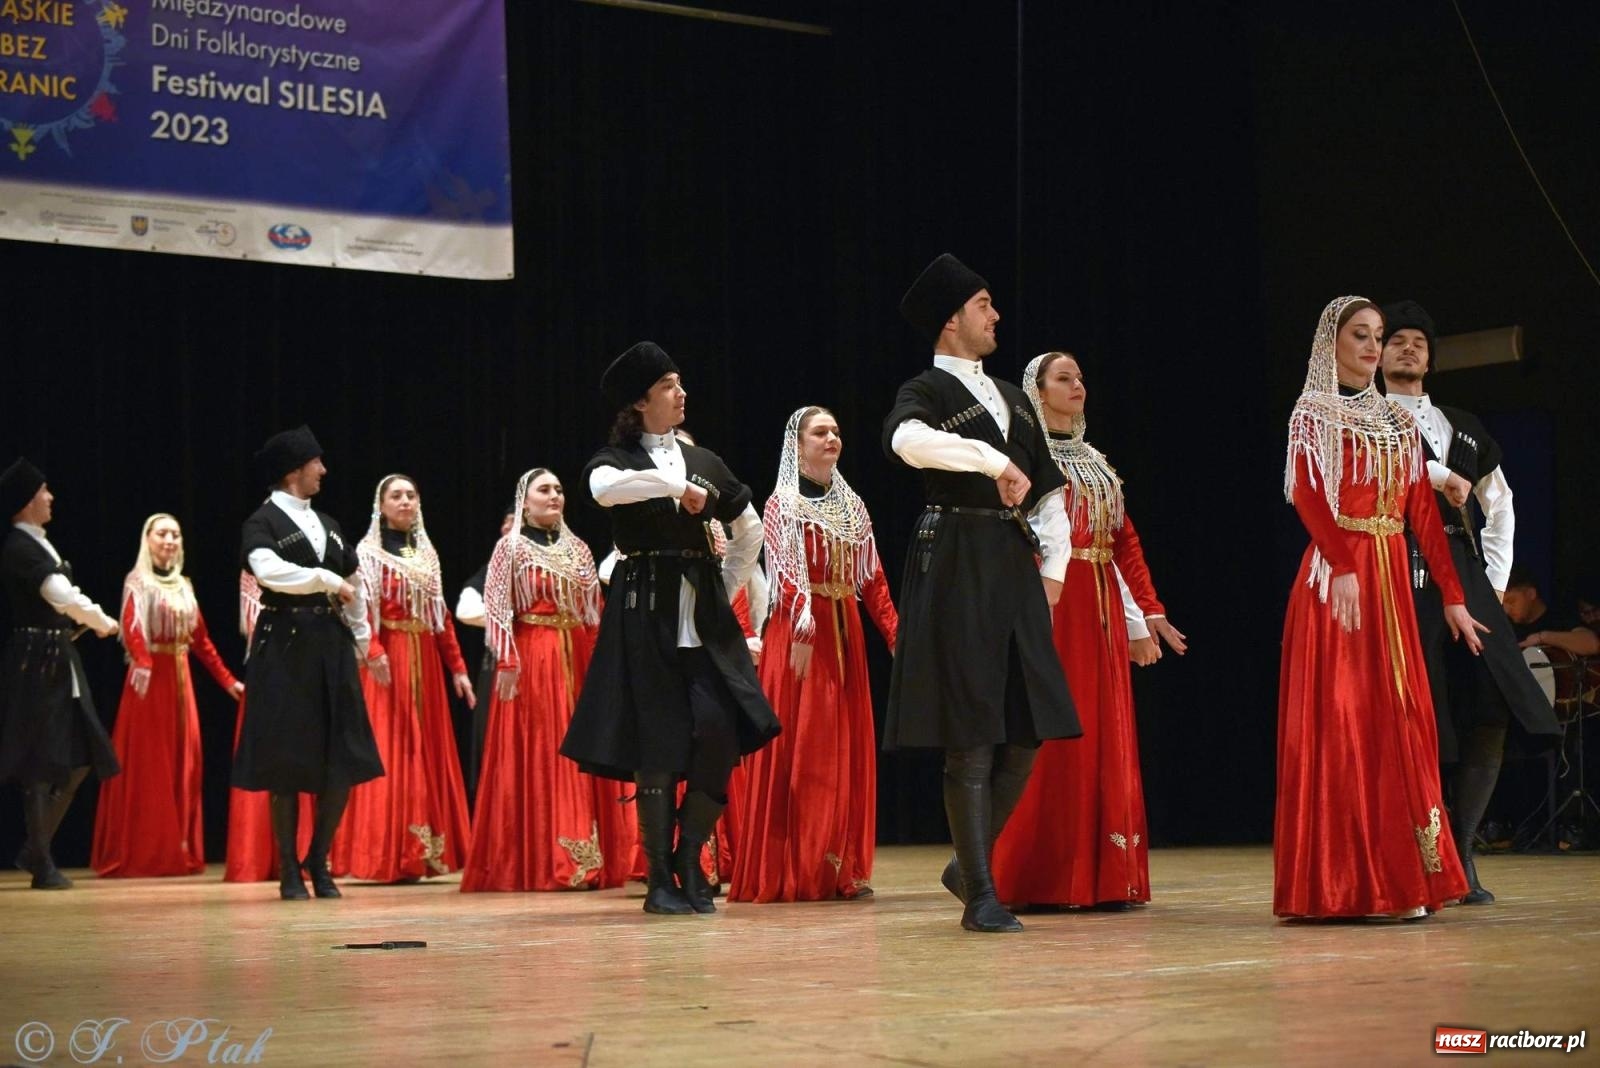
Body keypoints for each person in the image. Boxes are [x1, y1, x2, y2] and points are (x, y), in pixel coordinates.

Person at [881, 254, 1080, 933]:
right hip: (957, 558)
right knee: (970, 736)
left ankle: (966, 866)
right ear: (952, 319)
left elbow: (1048, 486)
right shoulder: (928, 389)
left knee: (1028, 731)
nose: (996, 316)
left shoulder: (1014, 395)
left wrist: (1054, 570)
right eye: (985, 305)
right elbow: (906, 442)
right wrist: (992, 459)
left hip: (1013, 564)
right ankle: (983, 894)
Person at [1275, 296, 1485, 921]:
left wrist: (1452, 596)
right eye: (1360, 336)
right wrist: (1340, 564)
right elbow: (1310, 494)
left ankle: (1403, 875)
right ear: (1331, 344)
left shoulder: (1396, 422)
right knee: (1347, 722)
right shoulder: (1313, 412)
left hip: (1391, 573)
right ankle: (1347, 880)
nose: (1372, 346)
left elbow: (1422, 508)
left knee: (1402, 719)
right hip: (1341, 577)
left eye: (1377, 336)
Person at [560, 341, 780, 915]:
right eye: (668, 386)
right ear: (640, 402)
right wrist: (674, 488)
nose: (681, 394)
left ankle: (689, 856)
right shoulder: (616, 459)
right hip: (644, 614)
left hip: (700, 615)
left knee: (717, 733)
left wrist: (722, 586)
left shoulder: (706, 460)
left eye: (680, 384)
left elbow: (749, 531)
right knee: (655, 743)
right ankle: (658, 876)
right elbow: (603, 491)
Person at [1379, 300, 1560, 904]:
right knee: (1424, 714)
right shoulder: (1365, 421)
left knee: (1493, 706)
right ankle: (1423, 854)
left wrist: (1492, 580)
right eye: (1396, 340)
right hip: (1395, 566)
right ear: (1376, 354)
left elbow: (1499, 502)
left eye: (1419, 343)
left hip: (1466, 574)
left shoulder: (1462, 424)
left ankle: (1463, 852)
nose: (1409, 349)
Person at [992, 353, 1185, 910]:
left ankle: (1103, 875)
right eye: (1064, 379)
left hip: (1098, 605)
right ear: (1038, 390)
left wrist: (1146, 613)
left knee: (1102, 730)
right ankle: (1040, 875)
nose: (1078, 385)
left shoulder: (1097, 462)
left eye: (1080, 377)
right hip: (1051, 604)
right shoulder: (1022, 457)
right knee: (1050, 735)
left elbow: (1123, 542)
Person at [729, 406, 897, 903]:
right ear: (797, 445)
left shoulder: (853, 505)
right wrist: (804, 622)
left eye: (837, 431)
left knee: (846, 744)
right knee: (809, 749)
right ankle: (797, 866)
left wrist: (895, 634)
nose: (832, 438)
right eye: (820, 432)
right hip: (802, 634)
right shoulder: (783, 504)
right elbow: (784, 567)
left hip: (844, 629)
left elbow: (872, 577)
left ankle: (840, 866)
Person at [462, 467, 637, 892]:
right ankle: (546, 859)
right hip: (533, 656)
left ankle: (592, 855)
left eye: (559, 489)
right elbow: (497, 607)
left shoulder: (577, 549)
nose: (555, 496)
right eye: (545, 490)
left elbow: (593, 611)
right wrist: (507, 661)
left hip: (575, 656)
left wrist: (602, 668)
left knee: (580, 747)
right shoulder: (511, 547)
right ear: (525, 500)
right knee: (541, 750)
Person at [235, 426, 384, 900]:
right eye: (316, 462)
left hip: (331, 646)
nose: (324, 469)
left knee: (341, 758)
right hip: (285, 646)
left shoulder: (332, 525)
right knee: (288, 762)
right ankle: (287, 870)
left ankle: (318, 860)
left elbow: (354, 586)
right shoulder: (262, 522)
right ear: (293, 470)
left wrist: (364, 642)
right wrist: (324, 578)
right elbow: (267, 571)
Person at [330, 475, 475, 883]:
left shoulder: (427, 554)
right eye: (397, 496)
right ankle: (384, 854)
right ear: (381, 505)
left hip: (424, 660)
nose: (406, 501)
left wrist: (458, 668)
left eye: (412, 494)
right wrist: (372, 650)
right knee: (390, 748)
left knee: (424, 749)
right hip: (386, 660)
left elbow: (440, 617)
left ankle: (425, 851)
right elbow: (356, 610)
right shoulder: (366, 554)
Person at [91, 514, 245, 877]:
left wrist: (228, 681)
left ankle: (177, 848)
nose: (170, 540)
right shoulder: (138, 582)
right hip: (149, 687)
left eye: (175, 534)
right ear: (148, 540)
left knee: (183, 763)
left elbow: (201, 641)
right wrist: (142, 662)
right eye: (162, 534)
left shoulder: (184, 586)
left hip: (181, 683)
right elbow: (131, 627)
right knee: (150, 766)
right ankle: (145, 851)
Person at [0, 458, 120, 890]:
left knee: (83, 755)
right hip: (36, 662)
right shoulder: (18, 548)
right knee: (37, 761)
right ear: (27, 500)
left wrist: (95, 617)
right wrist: (102, 620)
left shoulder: (40, 544)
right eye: (44, 491)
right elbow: (58, 594)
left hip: (56, 656)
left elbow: (65, 592)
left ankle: (36, 847)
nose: (51, 497)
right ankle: (42, 860)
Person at [454, 505, 517, 801]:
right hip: (500, 669)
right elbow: (465, 609)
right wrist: (515, 617)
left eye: (514, 522)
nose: (507, 528)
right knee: (498, 748)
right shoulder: (494, 568)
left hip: (547, 668)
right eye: (504, 522)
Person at [1503, 568, 1600, 655]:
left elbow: (1592, 644)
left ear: (1531, 594)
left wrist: (1543, 637)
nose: (1507, 610)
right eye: (1503, 605)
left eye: (1511, 601)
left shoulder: (1560, 617)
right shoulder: (1507, 630)